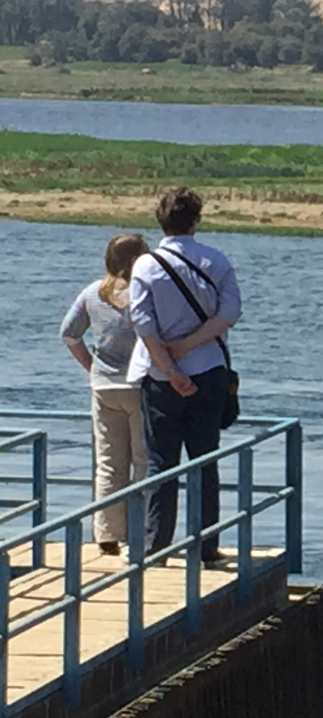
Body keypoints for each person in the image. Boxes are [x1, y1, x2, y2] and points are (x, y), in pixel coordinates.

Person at [127, 187, 241, 568]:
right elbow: (230, 312)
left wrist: (170, 368)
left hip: (159, 377)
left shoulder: (145, 265)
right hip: (208, 369)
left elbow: (142, 323)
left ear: (160, 220)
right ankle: (207, 545)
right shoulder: (215, 260)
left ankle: (155, 547)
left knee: (160, 462)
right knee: (204, 458)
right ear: (196, 219)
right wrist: (192, 344)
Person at [60, 233, 151, 556]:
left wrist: (91, 367)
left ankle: (107, 532)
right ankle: (141, 533)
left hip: (103, 385)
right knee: (143, 461)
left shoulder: (92, 293)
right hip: (139, 386)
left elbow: (68, 333)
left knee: (109, 463)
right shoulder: (143, 293)